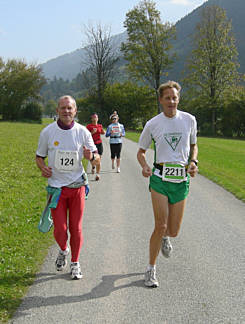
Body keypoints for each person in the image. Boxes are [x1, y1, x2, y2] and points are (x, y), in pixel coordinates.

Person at [137, 81, 198, 288]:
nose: (171, 101)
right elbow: (141, 152)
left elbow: (193, 146)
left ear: (178, 99)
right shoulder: (153, 124)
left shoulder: (189, 120)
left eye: (174, 97)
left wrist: (193, 162)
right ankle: (151, 269)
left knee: (173, 231)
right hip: (160, 178)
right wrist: (145, 166)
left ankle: (165, 238)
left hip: (180, 180)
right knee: (160, 225)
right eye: (167, 98)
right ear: (161, 100)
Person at [36, 95, 99, 280]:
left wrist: (91, 157)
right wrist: (43, 168)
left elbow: (96, 158)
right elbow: (39, 156)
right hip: (56, 189)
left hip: (77, 186)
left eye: (69, 108)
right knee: (60, 230)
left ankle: (75, 262)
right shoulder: (47, 132)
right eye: (63, 108)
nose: (66, 111)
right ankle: (64, 249)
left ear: (75, 111)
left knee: (76, 228)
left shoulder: (83, 132)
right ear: (57, 111)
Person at [86, 113, 105, 181]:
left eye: (96, 117)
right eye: (93, 117)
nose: (95, 118)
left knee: (99, 158)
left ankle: (98, 174)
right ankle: (93, 166)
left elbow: (102, 132)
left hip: (99, 143)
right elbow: (86, 136)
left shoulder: (100, 125)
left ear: (97, 118)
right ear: (91, 119)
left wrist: (103, 131)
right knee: (92, 159)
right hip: (92, 144)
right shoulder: (89, 126)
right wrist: (92, 133)